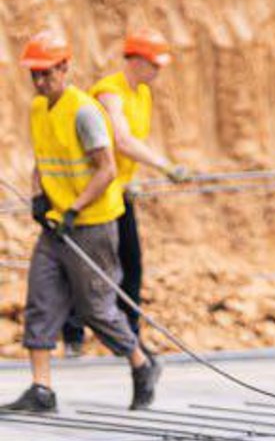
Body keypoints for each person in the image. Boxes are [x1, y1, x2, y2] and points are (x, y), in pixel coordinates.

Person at [5, 30, 161, 413]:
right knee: (40, 300)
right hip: (57, 226)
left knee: (96, 309)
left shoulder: (84, 112)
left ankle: (141, 365)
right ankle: (42, 390)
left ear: (64, 68)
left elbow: (106, 170)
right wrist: (39, 196)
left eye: (46, 74)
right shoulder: (39, 108)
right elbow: (43, 158)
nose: (40, 82)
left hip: (92, 225)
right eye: (34, 75)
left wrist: (74, 208)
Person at [62, 28, 191, 358]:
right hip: (96, 196)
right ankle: (74, 334)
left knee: (130, 266)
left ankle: (129, 338)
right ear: (135, 60)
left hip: (120, 193)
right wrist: (167, 167)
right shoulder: (110, 93)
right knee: (94, 265)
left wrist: (132, 178)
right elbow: (121, 140)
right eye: (154, 64)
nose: (159, 71)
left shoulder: (142, 93)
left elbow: (128, 149)